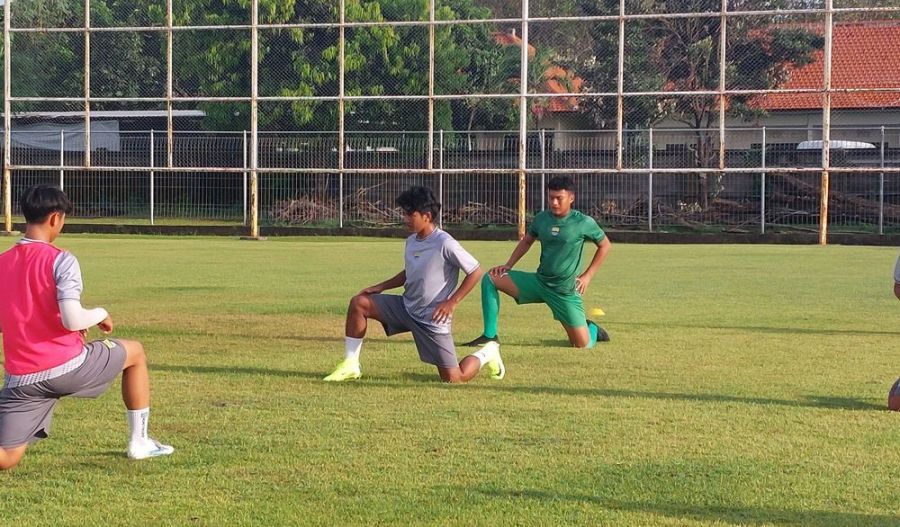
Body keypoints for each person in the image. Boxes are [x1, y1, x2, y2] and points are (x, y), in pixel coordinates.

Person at [0, 185, 173, 470]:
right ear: (56, 218)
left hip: (23, 379)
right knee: (135, 353)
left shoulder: (3, 263)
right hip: (66, 367)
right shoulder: (61, 259)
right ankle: (140, 442)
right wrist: (100, 313)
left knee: (7, 458)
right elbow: (72, 319)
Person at [324, 186, 504, 383]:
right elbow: (410, 273)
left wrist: (452, 302)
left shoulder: (445, 243)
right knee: (359, 303)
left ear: (426, 216)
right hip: (406, 308)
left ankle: (488, 352)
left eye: (410, 214)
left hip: (432, 319)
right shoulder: (411, 241)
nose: (405, 219)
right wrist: (381, 286)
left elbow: (475, 271)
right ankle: (351, 365)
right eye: (404, 213)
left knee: (455, 379)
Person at [464, 176, 612, 349]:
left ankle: (591, 328)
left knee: (582, 345)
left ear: (571, 198)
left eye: (559, 198)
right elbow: (527, 241)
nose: (554, 203)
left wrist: (587, 276)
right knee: (491, 277)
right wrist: (508, 265)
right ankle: (490, 335)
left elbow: (605, 246)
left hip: (564, 291)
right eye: (551, 198)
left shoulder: (583, 222)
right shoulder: (542, 218)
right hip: (539, 283)